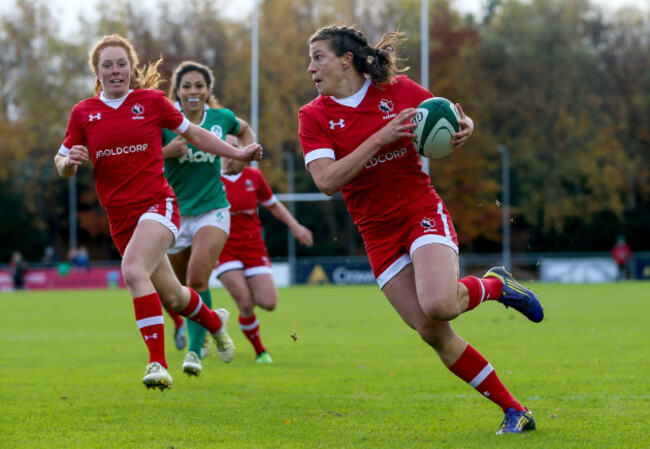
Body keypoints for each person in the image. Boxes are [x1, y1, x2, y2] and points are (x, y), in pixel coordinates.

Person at [298, 24, 544, 435]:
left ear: (346, 60)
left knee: (441, 304)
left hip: (419, 211)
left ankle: (497, 286)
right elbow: (326, 181)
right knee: (432, 331)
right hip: (377, 234)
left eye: (318, 57)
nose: (310, 68)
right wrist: (380, 138)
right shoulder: (314, 116)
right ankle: (515, 410)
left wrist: (466, 127)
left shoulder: (400, 91)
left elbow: (447, 119)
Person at [54, 34, 263, 390]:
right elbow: (61, 160)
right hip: (119, 219)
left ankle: (157, 363)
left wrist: (237, 154)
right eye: (108, 65)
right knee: (174, 296)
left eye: (122, 63)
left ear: (131, 68)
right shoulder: (83, 112)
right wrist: (69, 164)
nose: (116, 70)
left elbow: (195, 134)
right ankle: (215, 323)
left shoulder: (151, 102)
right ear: (97, 72)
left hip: (158, 205)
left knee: (133, 270)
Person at [160, 61, 258, 376]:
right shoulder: (165, 120)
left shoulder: (220, 118)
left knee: (197, 279)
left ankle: (193, 352)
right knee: (175, 296)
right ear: (178, 90)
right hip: (174, 215)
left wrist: (243, 160)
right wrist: (166, 153)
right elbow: (141, 152)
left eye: (198, 85)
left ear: (207, 90)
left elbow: (244, 131)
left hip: (212, 209)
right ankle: (215, 327)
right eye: (186, 86)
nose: (193, 91)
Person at [213, 135, 314, 364]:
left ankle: (224, 323)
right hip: (223, 247)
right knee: (245, 302)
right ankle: (260, 351)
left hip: (252, 246)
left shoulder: (253, 176)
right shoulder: (211, 178)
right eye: (225, 146)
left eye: (235, 146)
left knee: (268, 303)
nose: (230, 150)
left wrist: (296, 227)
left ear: (243, 150)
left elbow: (274, 206)